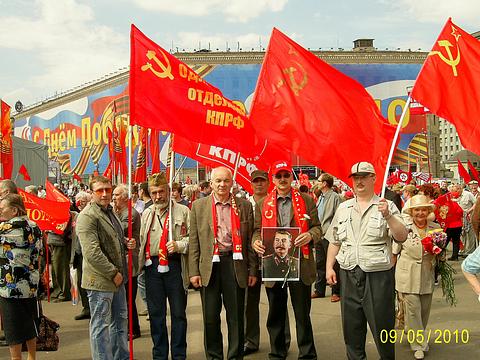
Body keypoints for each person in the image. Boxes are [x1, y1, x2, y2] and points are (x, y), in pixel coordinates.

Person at [325, 161, 408, 360]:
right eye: (356, 177)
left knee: (383, 328)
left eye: (364, 176)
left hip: (378, 275)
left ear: (373, 179)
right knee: (351, 328)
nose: (359, 181)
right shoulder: (344, 208)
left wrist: (388, 216)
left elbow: (401, 235)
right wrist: (329, 267)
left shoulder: (386, 206)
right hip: (349, 272)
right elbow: (335, 240)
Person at [252, 160, 321, 359]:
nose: (282, 179)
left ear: (291, 177)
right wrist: (256, 242)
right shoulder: (263, 203)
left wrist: (310, 236)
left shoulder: (306, 200)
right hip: (274, 265)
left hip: (300, 263)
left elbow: (318, 227)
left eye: (286, 175)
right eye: (278, 176)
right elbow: (257, 231)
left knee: (302, 314)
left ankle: (307, 354)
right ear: (272, 179)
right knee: (276, 313)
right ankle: (277, 352)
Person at [189, 166, 257, 359]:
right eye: (218, 181)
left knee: (236, 317)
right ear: (211, 183)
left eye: (226, 181)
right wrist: (194, 271)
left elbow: (250, 241)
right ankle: (214, 356)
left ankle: (235, 356)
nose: (222, 184)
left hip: (234, 265)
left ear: (232, 183)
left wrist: (252, 270)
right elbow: (194, 241)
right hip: (209, 267)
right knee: (210, 318)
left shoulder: (244, 206)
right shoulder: (198, 206)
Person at [76, 176, 135, 360]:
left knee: (120, 323)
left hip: (117, 278)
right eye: (99, 190)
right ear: (92, 193)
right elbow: (92, 252)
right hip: (101, 281)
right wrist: (112, 273)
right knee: (100, 327)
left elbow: (112, 238)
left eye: (107, 190)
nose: (104, 194)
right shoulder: (87, 216)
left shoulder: (110, 211)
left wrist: (125, 242)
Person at [138, 173, 190, 359]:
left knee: (178, 314)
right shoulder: (146, 213)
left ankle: (178, 355)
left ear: (168, 191)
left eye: (161, 192)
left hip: (175, 266)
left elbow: (194, 239)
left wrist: (179, 245)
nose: (158, 196)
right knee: (156, 315)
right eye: (154, 193)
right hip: (152, 268)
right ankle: (159, 354)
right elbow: (141, 240)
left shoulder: (183, 211)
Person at [393, 195, 441, 360]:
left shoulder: (436, 228)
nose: (420, 213)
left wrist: (440, 254)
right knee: (413, 309)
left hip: (427, 273)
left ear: (428, 211)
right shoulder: (403, 228)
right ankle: (418, 344)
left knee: (424, 311)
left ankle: (413, 330)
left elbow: (441, 252)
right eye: (417, 210)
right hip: (407, 274)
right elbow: (394, 252)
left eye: (424, 210)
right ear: (411, 212)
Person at [0, 194, 42, 360]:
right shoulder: (34, 226)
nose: (0, 210)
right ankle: (32, 357)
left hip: (10, 288)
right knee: (30, 325)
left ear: (14, 210)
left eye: (3, 208)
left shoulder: (7, 228)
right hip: (31, 284)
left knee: (14, 331)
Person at [112, 184, 141, 339]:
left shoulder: (130, 213)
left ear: (124, 197)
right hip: (124, 259)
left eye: (116, 195)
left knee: (129, 297)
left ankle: (133, 329)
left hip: (130, 260)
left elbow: (119, 231)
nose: (113, 198)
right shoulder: (120, 212)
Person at [312, 173, 342, 302]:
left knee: (333, 265)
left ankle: (336, 291)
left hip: (330, 236)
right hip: (319, 235)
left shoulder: (335, 197)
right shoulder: (321, 197)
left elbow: (338, 217)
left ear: (324, 183)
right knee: (319, 263)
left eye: (318, 181)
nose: (316, 183)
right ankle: (319, 290)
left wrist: (332, 233)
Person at [70, 191, 92, 320]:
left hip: (87, 253)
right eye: (77, 200)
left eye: (82, 201)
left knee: (88, 282)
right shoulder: (76, 216)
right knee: (80, 282)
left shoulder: (89, 214)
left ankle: (91, 308)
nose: (79, 203)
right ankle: (86, 307)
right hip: (78, 253)